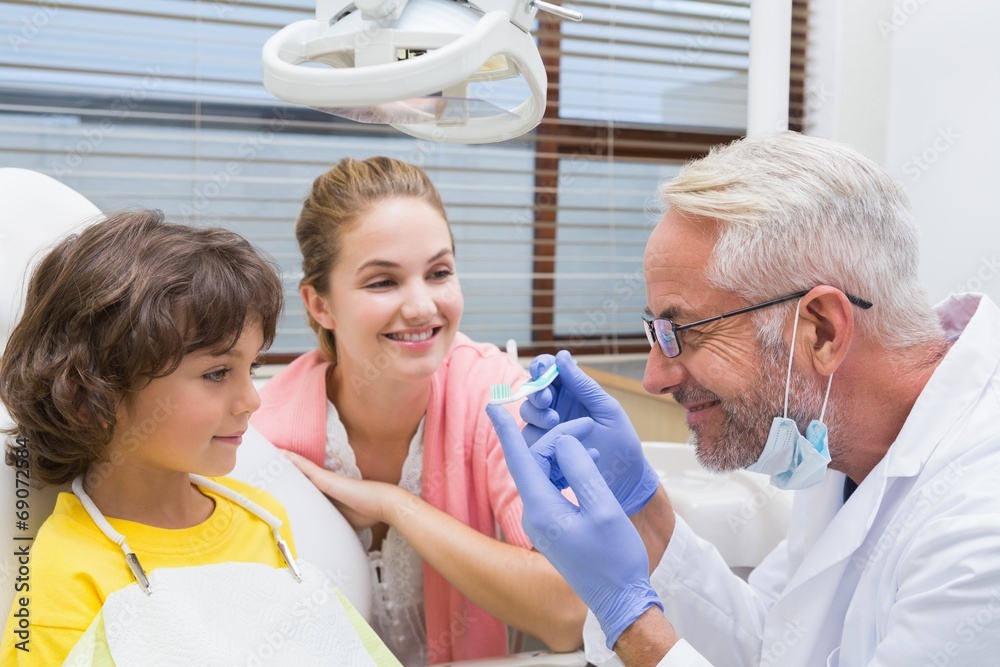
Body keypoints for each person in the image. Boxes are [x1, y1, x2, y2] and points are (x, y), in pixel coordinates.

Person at [486, 131, 1000, 666]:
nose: (654, 378)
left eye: (684, 331)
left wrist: (629, 616)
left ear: (821, 330)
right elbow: (771, 647)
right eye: (656, 332)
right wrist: (640, 505)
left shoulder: (979, 536)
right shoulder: (829, 437)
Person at [0, 211, 400, 666]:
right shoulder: (66, 576)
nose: (251, 400)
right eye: (216, 373)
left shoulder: (263, 522)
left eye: (251, 369)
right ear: (94, 393)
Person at [250, 157, 586, 664]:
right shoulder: (262, 433)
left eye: (439, 273)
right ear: (320, 306)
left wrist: (394, 505)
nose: (422, 307)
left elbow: (569, 613)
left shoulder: (497, 398)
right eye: (383, 282)